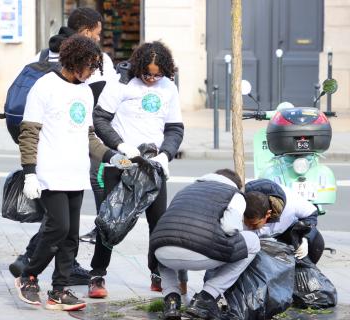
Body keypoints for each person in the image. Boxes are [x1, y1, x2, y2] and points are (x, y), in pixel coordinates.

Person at [14, 34, 131, 311]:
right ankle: (29, 276)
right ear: (73, 60)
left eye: (94, 67)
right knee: (58, 228)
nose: (91, 72)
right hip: (49, 172)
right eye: (88, 66)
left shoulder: (85, 91)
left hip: (75, 173)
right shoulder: (44, 87)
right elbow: (29, 134)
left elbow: (88, 135)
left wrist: (112, 156)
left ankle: (59, 290)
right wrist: (29, 173)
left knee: (70, 237)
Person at [87, 41, 184, 299]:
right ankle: (97, 275)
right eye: (147, 74)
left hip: (153, 166)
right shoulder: (121, 83)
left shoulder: (169, 88)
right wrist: (120, 145)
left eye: (157, 74)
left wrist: (166, 155)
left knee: (158, 223)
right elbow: (100, 118)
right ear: (139, 67)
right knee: (111, 220)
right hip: (122, 163)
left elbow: (175, 128)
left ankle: (157, 273)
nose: (152, 79)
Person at [149, 169, 265, 320]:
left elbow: (174, 228)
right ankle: (206, 298)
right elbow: (230, 228)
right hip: (201, 253)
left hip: (162, 253)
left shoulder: (186, 190)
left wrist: (183, 280)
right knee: (253, 242)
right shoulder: (235, 195)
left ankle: (172, 301)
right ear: (236, 185)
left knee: (166, 241)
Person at [244, 178, 325, 264]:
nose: (249, 227)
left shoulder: (292, 203)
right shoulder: (237, 201)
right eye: (246, 223)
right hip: (249, 242)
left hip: (282, 234)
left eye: (254, 225)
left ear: (268, 214)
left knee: (316, 242)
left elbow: (311, 214)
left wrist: (306, 238)